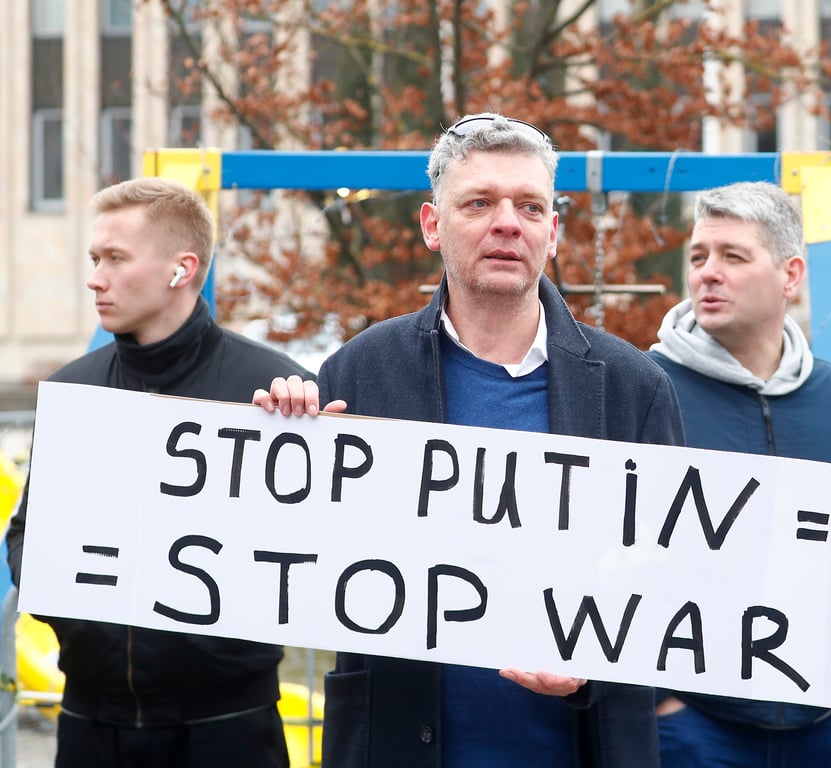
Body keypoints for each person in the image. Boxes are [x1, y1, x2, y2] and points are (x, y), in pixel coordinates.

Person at [253, 113, 685, 768]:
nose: (507, 223)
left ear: (552, 232)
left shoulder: (634, 388)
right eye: (479, 203)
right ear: (432, 225)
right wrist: (280, 445)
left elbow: (673, 579)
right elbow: (296, 560)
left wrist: (595, 667)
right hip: (395, 745)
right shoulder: (358, 372)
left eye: (529, 206)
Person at [5, 177, 311, 768]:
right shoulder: (73, 390)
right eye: (94, 259)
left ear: (181, 269)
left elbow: (320, 545)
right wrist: (73, 610)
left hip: (228, 729)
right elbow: (27, 532)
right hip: (91, 723)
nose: (95, 278)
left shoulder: (271, 393)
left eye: (115, 259)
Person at [646, 181, 831, 767]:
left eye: (733, 256)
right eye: (698, 256)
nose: (708, 273)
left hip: (824, 730)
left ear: (791, 276)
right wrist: (661, 701)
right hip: (692, 731)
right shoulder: (643, 389)